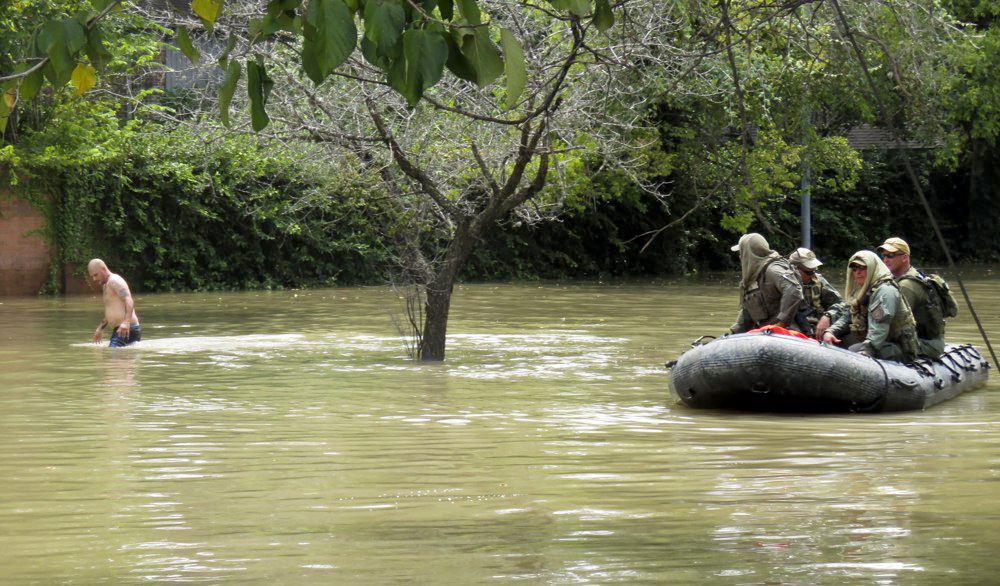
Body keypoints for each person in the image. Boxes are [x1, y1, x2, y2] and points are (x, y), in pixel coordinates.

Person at [822, 250, 918, 362]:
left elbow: (880, 328)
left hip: (897, 347)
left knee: (853, 351)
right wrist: (831, 331)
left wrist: (866, 350)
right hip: (879, 342)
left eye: (862, 268)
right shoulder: (862, 290)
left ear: (872, 268)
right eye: (854, 269)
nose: (858, 272)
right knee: (837, 341)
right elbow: (848, 316)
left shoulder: (885, 291)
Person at [877, 237, 945, 359]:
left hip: (926, 343)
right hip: (919, 338)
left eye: (891, 255)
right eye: (884, 255)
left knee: (878, 349)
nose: (886, 259)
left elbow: (894, 325)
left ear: (904, 257)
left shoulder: (906, 285)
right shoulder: (901, 277)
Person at [729, 233, 804, 334]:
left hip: (786, 333)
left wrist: (781, 323)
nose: (740, 256)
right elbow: (747, 313)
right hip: (764, 334)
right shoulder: (752, 277)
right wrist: (732, 334)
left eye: (741, 251)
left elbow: (793, 290)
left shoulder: (772, 269)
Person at [788, 247, 846, 340]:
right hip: (795, 333)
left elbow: (841, 304)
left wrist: (828, 316)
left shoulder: (819, 282)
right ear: (794, 269)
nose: (813, 275)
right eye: (809, 272)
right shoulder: (783, 286)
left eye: (815, 270)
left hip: (819, 329)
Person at [88, 258, 141, 347]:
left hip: (127, 328)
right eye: (92, 276)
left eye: (96, 275)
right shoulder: (106, 285)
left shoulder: (114, 281)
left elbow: (129, 300)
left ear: (103, 269)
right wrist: (100, 328)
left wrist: (126, 322)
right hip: (120, 329)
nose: (94, 279)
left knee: (113, 359)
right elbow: (111, 311)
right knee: (119, 359)